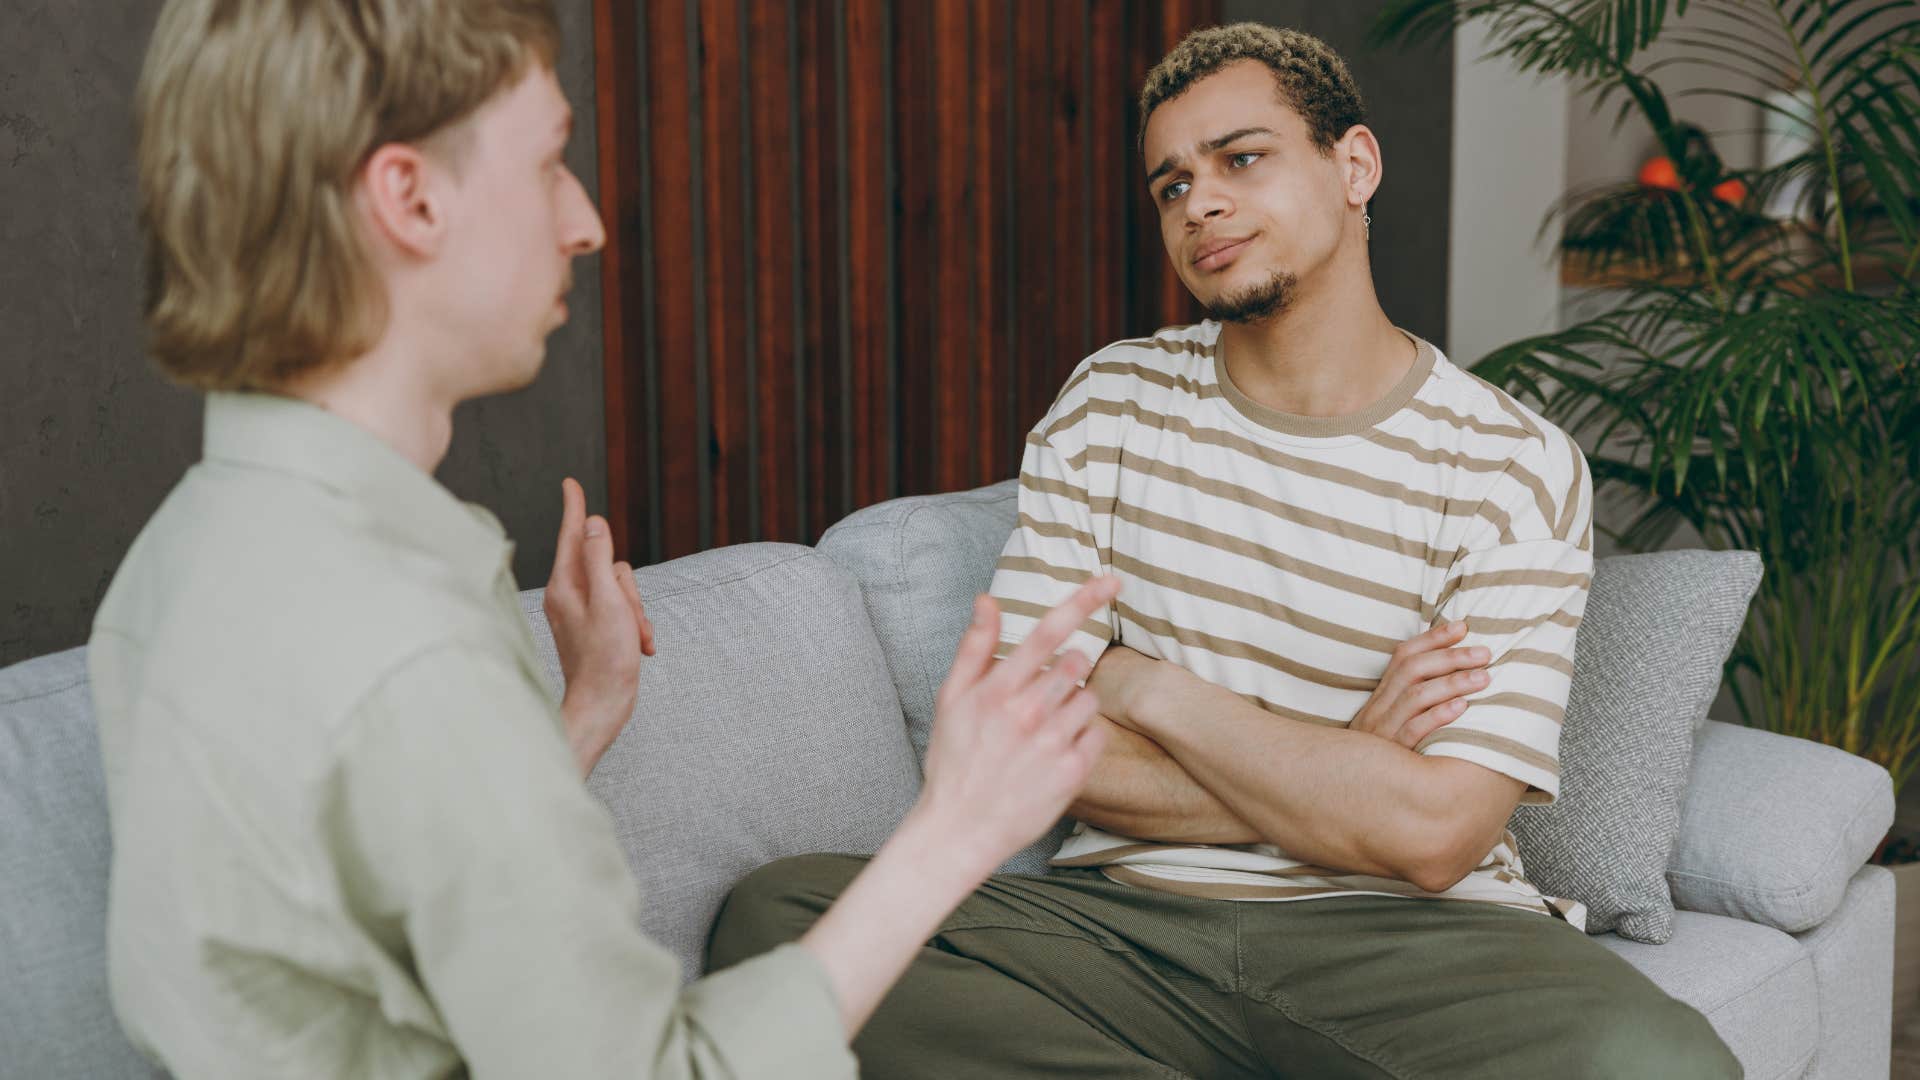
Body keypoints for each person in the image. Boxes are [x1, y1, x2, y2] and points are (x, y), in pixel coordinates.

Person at [90, 2, 1118, 1076]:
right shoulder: (403, 639)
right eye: (548, 164)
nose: (583, 220)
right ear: (409, 196)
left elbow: (363, 934)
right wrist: (956, 828)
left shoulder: (180, 562)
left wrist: (578, 718)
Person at [709, 23, 1741, 1078]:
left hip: (1421, 946)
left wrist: (1144, 687)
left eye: (1241, 159)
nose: (1199, 202)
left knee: (1665, 1063)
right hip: (1124, 936)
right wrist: (1352, 757)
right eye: (1171, 184)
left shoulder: (1511, 462)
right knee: (780, 919)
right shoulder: (1108, 405)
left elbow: (1434, 834)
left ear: (1354, 166)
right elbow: (1025, 753)